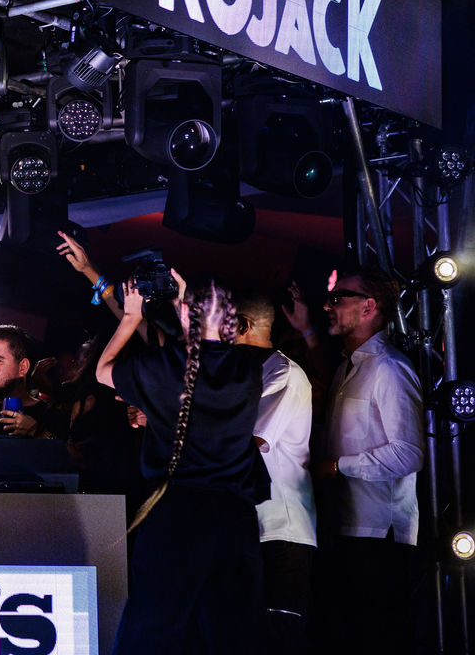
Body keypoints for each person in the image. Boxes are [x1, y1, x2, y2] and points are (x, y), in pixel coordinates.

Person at [98, 275, 267, 655]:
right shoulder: (246, 367)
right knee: (234, 632)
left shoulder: (166, 367)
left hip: (176, 514)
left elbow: (103, 370)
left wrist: (130, 317)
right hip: (234, 517)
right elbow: (209, 346)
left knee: (152, 627)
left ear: (185, 314)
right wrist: (187, 300)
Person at [311, 266, 423, 655]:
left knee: (378, 638)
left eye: (338, 298)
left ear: (368, 307)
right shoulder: (348, 367)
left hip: (380, 537)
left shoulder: (390, 368)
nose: (328, 305)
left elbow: (408, 453)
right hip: (347, 530)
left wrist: (336, 466)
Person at [234, 291, 317, 653]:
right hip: (254, 527)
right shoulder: (246, 372)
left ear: (241, 326)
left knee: (277, 639)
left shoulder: (283, 373)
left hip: (282, 530)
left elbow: (248, 440)